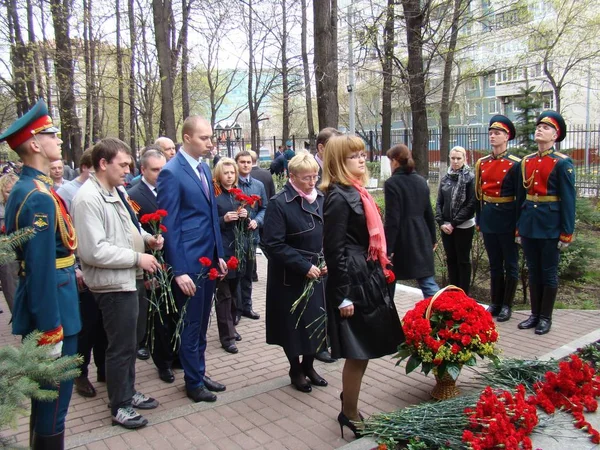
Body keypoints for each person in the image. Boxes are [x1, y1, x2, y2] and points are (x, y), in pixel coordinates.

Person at [0, 99, 81, 448]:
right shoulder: (37, 197)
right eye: (51, 134)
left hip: (55, 299)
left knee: (46, 399)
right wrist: (50, 330)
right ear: (34, 143)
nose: (58, 140)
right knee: (53, 400)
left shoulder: (31, 188)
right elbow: (41, 267)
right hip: (55, 308)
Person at [72, 138, 163, 429]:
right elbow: (93, 250)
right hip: (113, 284)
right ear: (103, 163)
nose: (128, 170)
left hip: (128, 279)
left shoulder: (116, 191)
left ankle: (128, 392)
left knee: (130, 341)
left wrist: (147, 239)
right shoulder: (88, 198)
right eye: (123, 164)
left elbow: (128, 228)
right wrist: (138, 258)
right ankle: (120, 405)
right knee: (120, 347)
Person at [321, 135, 404, 439]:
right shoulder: (338, 197)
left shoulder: (356, 191)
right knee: (358, 351)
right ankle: (350, 413)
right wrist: (342, 296)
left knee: (365, 348)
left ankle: (349, 400)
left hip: (366, 274)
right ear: (338, 162)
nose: (361, 159)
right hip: (353, 281)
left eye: (362, 154)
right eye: (353, 156)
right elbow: (334, 251)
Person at [157, 116, 228, 403]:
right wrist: (178, 270)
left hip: (207, 261)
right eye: (204, 138)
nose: (210, 142)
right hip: (188, 264)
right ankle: (193, 382)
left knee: (201, 322)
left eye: (210, 137)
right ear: (186, 138)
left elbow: (211, 217)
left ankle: (198, 371)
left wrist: (219, 255)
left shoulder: (202, 167)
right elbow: (169, 225)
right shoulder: (172, 173)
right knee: (190, 324)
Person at [263, 153, 329, 393]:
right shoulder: (279, 202)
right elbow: (272, 244)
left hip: (319, 269)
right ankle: (295, 369)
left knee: (316, 322)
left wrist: (327, 259)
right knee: (293, 326)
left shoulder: (321, 197)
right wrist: (303, 266)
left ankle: (309, 365)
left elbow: (329, 233)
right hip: (290, 275)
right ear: (291, 177)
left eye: (315, 176)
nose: (312, 182)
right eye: (306, 178)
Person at [516, 111, 575, 335]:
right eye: (538, 126)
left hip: (550, 224)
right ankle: (534, 314)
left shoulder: (562, 163)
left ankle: (545, 317)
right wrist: (519, 226)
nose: (539, 129)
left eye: (546, 127)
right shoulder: (527, 161)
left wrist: (566, 232)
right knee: (533, 271)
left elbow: (569, 200)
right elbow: (522, 197)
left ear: (555, 135)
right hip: (530, 223)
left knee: (548, 272)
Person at [58, 149, 108, 399]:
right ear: (88, 168)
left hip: (104, 271)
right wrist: (75, 267)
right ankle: (80, 373)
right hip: (83, 269)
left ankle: (103, 369)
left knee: (102, 326)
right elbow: (65, 235)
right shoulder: (69, 193)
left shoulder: (105, 190)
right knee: (86, 326)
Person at [127, 149, 177, 382]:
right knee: (158, 316)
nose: (160, 173)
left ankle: (177, 355)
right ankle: (163, 362)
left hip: (175, 259)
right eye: (155, 170)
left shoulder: (171, 188)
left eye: (163, 169)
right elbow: (134, 230)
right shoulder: (133, 196)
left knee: (175, 311)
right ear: (143, 170)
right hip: (152, 261)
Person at [475, 115, 521, 321]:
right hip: (489, 219)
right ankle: (495, 302)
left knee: (510, 264)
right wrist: (479, 219)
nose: (493, 136)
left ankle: (507, 305)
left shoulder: (516, 164)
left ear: (507, 137)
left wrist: (519, 226)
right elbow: (478, 195)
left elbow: (520, 198)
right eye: (491, 133)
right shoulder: (482, 163)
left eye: (498, 133)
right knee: (494, 263)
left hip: (508, 219)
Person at [384, 144, 439, 298]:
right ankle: (440, 314)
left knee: (388, 281)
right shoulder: (421, 180)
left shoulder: (392, 183)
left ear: (395, 161)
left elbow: (392, 219)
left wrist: (388, 248)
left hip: (402, 238)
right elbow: (429, 211)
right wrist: (432, 238)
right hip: (421, 235)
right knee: (427, 282)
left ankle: (388, 318)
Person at [213, 157, 245, 354]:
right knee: (223, 294)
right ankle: (227, 336)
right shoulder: (214, 194)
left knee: (234, 292)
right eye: (226, 173)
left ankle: (232, 325)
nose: (229, 176)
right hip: (222, 250)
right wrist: (223, 219)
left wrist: (245, 217)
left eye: (232, 172)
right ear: (219, 175)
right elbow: (208, 222)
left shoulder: (237, 194)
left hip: (238, 249)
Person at [435, 146, 476, 294]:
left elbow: (471, 204)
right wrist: (441, 223)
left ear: (464, 159)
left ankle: (463, 294)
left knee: (463, 261)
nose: (455, 161)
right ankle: (453, 292)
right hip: (446, 227)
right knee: (451, 260)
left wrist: (453, 223)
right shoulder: (446, 177)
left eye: (459, 158)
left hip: (463, 226)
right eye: (453, 158)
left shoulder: (470, 178)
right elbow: (439, 202)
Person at [234, 150, 267, 322]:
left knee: (248, 273)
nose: (246, 165)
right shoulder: (232, 185)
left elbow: (264, 208)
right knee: (237, 273)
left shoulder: (258, 186)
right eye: (242, 162)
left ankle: (247, 306)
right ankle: (237, 308)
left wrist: (257, 221)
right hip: (235, 237)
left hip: (251, 237)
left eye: (248, 162)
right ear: (237, 163)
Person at [0, 173, 19, 314]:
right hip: (8, 258)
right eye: (7, 192)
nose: (11, 195)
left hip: (25, 254)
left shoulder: (24, 205)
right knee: (12, 291)